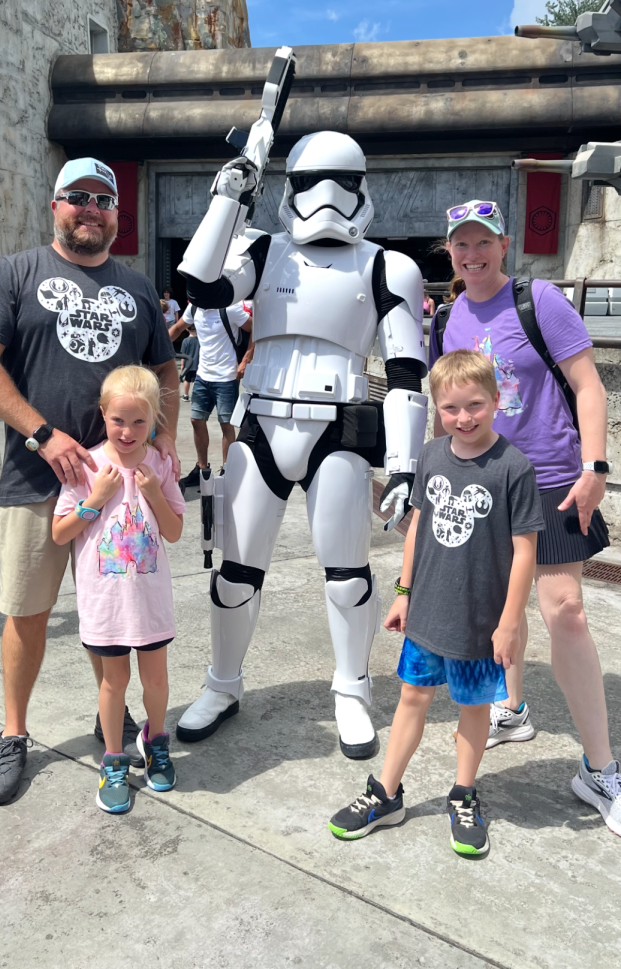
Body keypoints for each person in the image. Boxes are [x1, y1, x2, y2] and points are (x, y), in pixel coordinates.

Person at [174, 129, 428, 758]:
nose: (327, 198)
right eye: (311, 183)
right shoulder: (263, 250)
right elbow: (199, 286)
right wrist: (227, 195)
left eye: (341, 182)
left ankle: (351, 690)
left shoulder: (388, 266)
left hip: (338, 429)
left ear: (362, 187)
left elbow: (405, 375)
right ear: (289, 189)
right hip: (259, 424)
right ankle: (222, 684)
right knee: (235, 573)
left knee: (346, 574)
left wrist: (404, 467)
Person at [0, 157, 180, 807]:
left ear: (117, 213)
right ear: (54, 205)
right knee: (26, 611)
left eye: (102, 199)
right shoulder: (16, 272)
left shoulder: (136, 287)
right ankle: (13, 732)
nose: (90, 208)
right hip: (38, 478)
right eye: (76, 197)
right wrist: (42, 433)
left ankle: (107, 721)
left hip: (116, 490)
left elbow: (165, 372)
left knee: (108, 617)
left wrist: (162, 441)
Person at [428, 198, 621, 836]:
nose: (471, 254)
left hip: (553, 476)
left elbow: (588, 385)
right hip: (481, 480)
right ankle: (512, 707)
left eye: (483, 242)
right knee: (489, 602)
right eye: (461, 244)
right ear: (449, 251)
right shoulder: (448, 315)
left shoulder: (539, 300)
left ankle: (599, 770)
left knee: (563, 608)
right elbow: (445, 405)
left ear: (504, 244)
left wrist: (597, 467)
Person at [329, 350, 543, 856]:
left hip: (479, 620)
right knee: (412, 698)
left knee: (472, 708)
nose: (463, 418)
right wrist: (404, 592)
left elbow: (525, 551)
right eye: (450, 408)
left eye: (475, 405)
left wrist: (510, 622)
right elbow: (417, 527)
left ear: (497, 400)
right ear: (436, 409)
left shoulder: (513, 468)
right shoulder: (431, 456)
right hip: (427, 610)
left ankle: (463, 795)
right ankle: (386, 793)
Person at [53, 365, 185, 814]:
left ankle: (155, 739)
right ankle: (114, 760)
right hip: (105, 601)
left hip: (150, 600)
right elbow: (60, 532)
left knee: (156, 679)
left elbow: (174, 532)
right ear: (103, 413)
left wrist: (152, 493)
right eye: (118, 420)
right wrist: (95, 499)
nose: (128, 431)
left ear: (155, 422)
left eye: (140, 422)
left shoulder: (161, 464)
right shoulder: (87, 465)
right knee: (114, 683)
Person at [169, 301, 252, 494]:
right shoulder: (195, 308)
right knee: (196, 420)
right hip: (202, 375)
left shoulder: (229, 308)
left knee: (226, 424)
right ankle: (202, 469)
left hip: (226, 376)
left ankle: (228, 470)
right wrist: (156, 347)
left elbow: (253, 328)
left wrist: (246, 360)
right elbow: (177, 328)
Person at [179, 324, 199, 401]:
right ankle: (194, 396)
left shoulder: (185, 341)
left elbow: (183, 354)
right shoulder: (200, 340)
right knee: (195, 381)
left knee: (187, 380)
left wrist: (182, 364)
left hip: (188, 365)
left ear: (187, 329)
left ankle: (186, 395)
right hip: (198, 364)